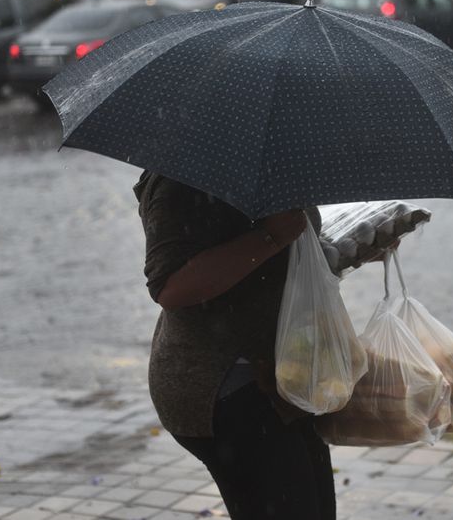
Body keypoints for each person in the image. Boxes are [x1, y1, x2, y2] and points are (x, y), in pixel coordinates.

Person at [134, 171, 335, 520]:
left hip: (280, 381)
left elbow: (276, 262)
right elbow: (171, 286)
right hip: (222, 387)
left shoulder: (273, 163)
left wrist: (339, 250)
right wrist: (271, 237)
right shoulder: (180, 180)